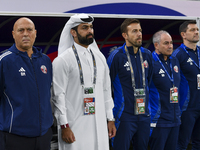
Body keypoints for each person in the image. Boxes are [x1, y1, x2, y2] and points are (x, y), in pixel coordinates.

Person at [51, 14, 116, 150]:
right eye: (84, 28)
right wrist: (64, 126)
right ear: (73, 32)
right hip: (74, 126)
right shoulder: (62, 60)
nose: (90, 31)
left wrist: (110, 119)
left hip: (99, 124)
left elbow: (106, 90)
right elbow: (58, 96)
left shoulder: (100, 58)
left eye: (91, 27)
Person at [0, 17, 53, 150]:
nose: (25, 34)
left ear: (35, 33)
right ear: (13, 34)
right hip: (15, 138)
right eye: (21, 30)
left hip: (44, 136)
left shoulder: (45, 60)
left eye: (29, 30)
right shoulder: (4, 61)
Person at [107, 18, 153, 150]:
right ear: (125, 35)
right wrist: (110, 117)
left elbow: (148, 81)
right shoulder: (116, 56)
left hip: (144, 116)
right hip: (124, 116)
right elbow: (106, 87)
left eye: (140, 30)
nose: (139, 34)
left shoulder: (147, 55)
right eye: (134, 31)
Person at [149, 30, 181, 150]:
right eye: (166, 43)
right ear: (156, 45)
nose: (170, 46)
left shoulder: (174, 60)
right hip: (159, 120)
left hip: (175, 119)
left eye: (171, 43)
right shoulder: (150, 62)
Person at [172, 20, 200, 150]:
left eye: (197, 30)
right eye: (192, 30)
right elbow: (172, 83)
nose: (196, 32)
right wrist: (174, 107)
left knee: (198, 143)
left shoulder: (199, 51)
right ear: (183, 34)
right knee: (181, 143)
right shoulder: (178, 54)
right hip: (186, 108)